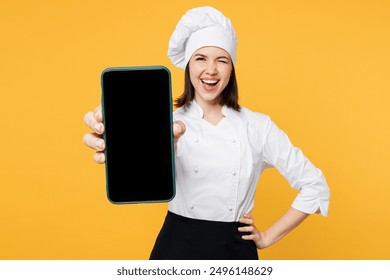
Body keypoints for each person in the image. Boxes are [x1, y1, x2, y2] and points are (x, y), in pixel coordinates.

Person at [83, 6, 330, 260]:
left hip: (234, 251)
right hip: (176, 248)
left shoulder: (258, 126)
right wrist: (111, 127)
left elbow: (315, 185)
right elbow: (139, 166)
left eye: (221, 60)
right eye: (200, 58)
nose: (210, 70)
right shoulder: (169, 124)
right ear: (188, 65)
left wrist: (267, 237)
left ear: (231, 68)